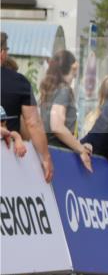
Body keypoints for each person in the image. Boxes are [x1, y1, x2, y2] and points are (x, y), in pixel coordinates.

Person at [1, 31, 54, 182]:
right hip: (8, 158)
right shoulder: (20, 83)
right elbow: (33, 123)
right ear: (2, 53)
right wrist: (45, 157)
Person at [38, 50, 92, 172]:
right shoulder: (64, 90)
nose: (74, 78)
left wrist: (79, 144)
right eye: (74, 74)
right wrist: (81, 149)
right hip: (61, 157)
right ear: (69, 70)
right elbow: (57, 126)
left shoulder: (49, 90)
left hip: (49, 152)